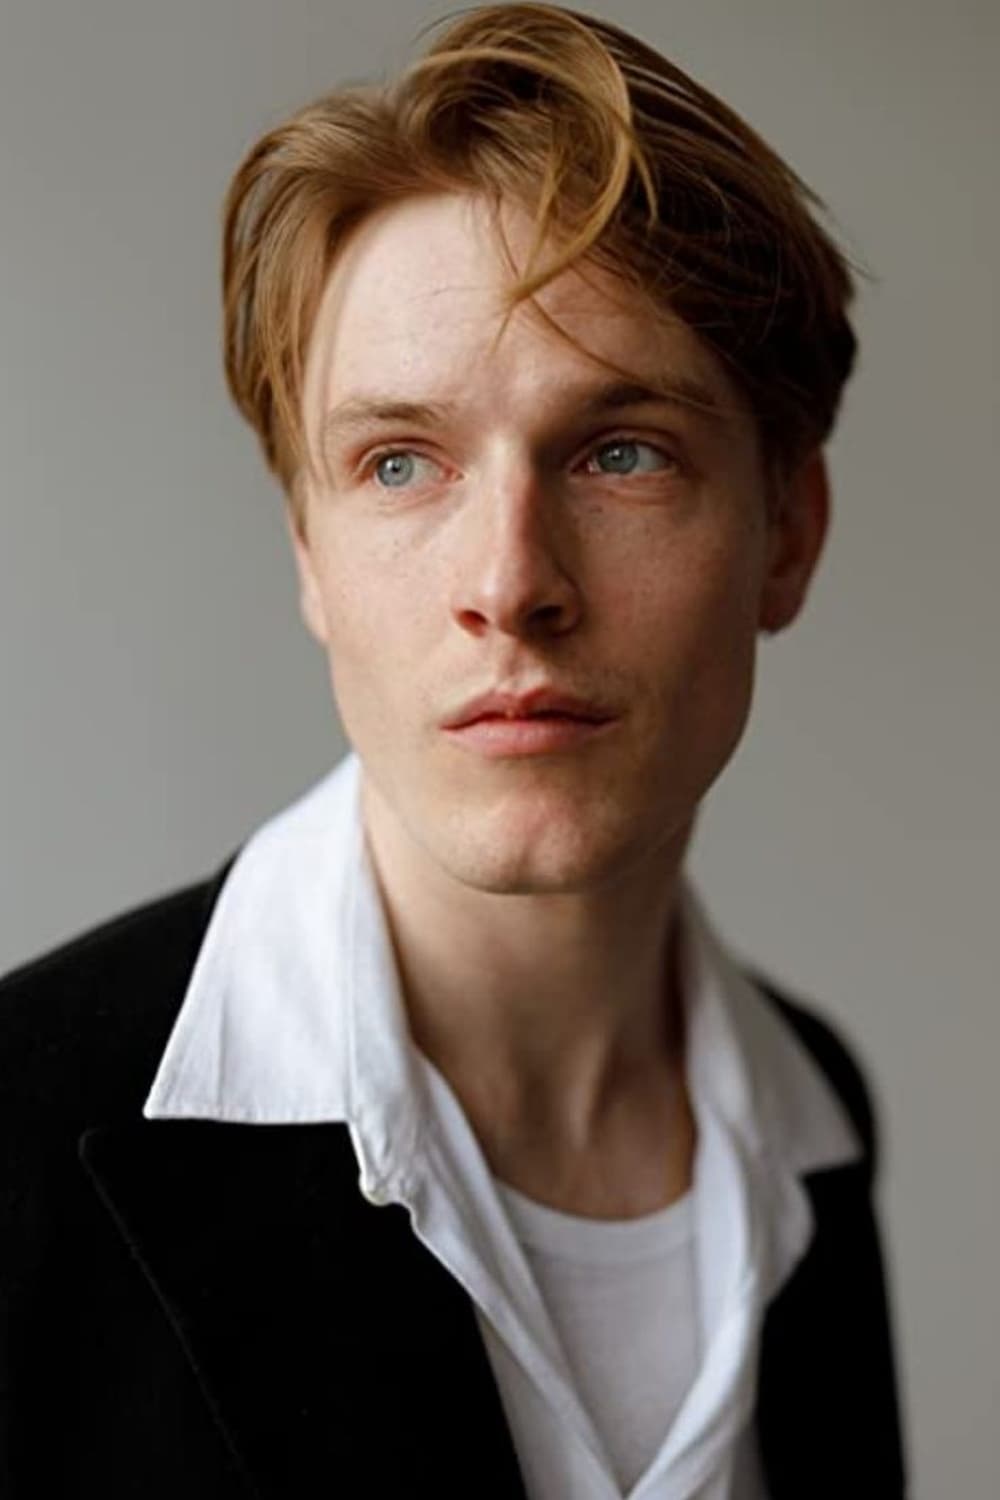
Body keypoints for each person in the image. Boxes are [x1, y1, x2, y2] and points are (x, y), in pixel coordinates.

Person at [0, 5, 907, 1497]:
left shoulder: (818, 1115)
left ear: (787, 535)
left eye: (620, 451)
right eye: (400, 463)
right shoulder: (12, 1145)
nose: (510, 581)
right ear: (309, 553)